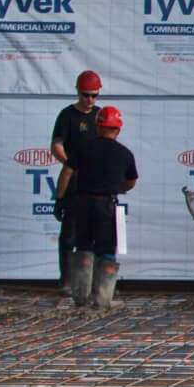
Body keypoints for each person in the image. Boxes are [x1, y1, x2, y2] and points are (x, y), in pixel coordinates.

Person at [58, 105, 137, 309]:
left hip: (83, 204)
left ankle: (80, 297)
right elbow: (131, 182)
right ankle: (103, 298)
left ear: (97, 126)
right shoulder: (124, 153)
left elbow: (66, 173)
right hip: (107, 206)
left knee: (83, 246)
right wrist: (114, 187)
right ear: (118, 129)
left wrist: (60, 199)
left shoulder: (84, 148)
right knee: (107, 251)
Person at [50, 70, 103, 286]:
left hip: (96, 182)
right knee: (69, 234)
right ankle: (67, 279)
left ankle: (90, 281)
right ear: (77, 92)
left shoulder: (101, 115)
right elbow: (56, 146)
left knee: (96, 235)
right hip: (73, 180)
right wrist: (71, 164)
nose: (89, 100)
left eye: (94, 95)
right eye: (85, 95)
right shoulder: (67, 116)